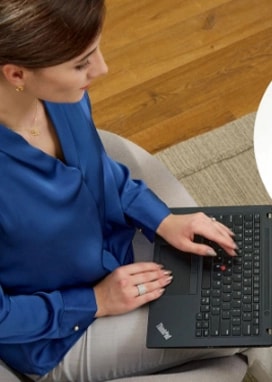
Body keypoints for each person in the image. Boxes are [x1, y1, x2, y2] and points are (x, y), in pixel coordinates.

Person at [0, 1, 270, 381]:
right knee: (242, 325)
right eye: (82, 63)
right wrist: (95, 302)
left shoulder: (60, 99)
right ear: (16, 73)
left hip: (120, 253)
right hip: (59, 334)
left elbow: (100, 170)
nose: (103, 69)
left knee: (247, 292)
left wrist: (161, 220)